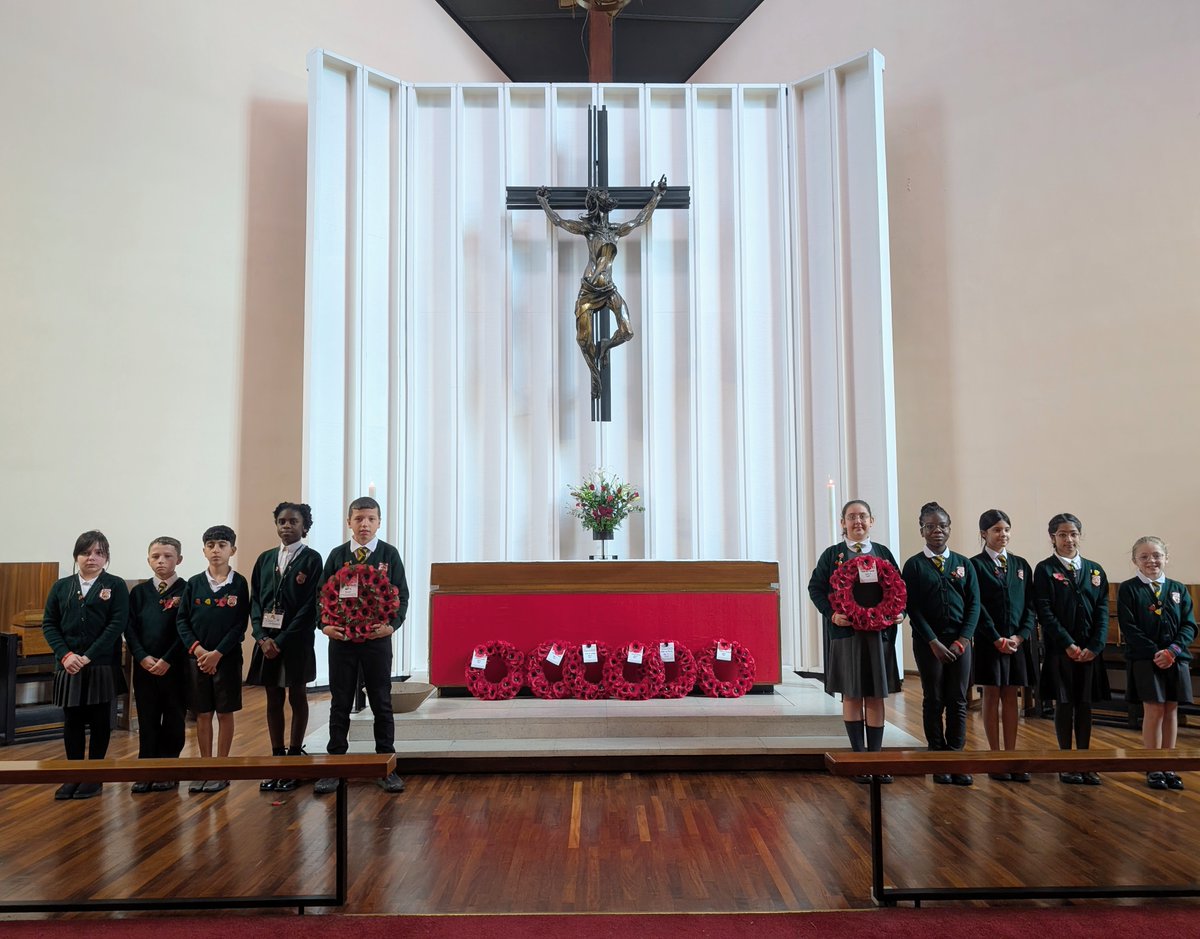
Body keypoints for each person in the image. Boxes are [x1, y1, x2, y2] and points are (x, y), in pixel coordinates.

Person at [535, 176, 668, 399]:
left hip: (609, 290)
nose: (609, 200)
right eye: (604, 197)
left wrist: (658, 195)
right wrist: (543, 202)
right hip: (588, 290)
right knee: (583, 340)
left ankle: (605, 345)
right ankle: (595, 376)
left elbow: (641, 219)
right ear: (597, 203)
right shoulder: (588, 230)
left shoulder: (615, 231)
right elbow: (559, 221)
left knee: (627, 332)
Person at [314, 496, 408, 795]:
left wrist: (391, 626)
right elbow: (320, 594)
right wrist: (325, 625)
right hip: (341, 641)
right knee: (339, 702)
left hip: (376, 642)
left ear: (379, 522)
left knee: (381, 701)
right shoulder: (338, 555)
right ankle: (335, 766)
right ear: (349, 522)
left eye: (370, 519)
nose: (364, 524)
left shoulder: (388, 554)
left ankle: (386, 766)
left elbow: (402, 596)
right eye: (358, 519)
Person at [807, 499, 903, 783]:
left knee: (875, 694)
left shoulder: (883, 553)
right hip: (847, 634)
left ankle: (875, 758)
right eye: (851, 517)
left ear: (871, 521)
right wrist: (831, 614)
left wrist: (900, 613)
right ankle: (858, 758)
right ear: (842, 523)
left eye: (863, 516)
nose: (857, 521)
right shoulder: (833, 555)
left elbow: (898, 587)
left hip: (878, 637)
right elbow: (815, 588)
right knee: (851, 693)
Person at [41, 530, 130, 800]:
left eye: (99, 553)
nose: (92, 557)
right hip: (68, 665)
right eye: (86, 552)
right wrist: (66, 655)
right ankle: (73, 774)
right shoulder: (61, 587)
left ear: (106, 558)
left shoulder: (115, 585)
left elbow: (116, 625)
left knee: (101, 720)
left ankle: (95, 776)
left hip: (101, 663)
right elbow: (50, 624)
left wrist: (89, 655)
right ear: (76, 555)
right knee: (73, 721)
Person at [902, 502, 980, 786]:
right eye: (931, 526)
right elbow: (913, 607)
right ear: (921, 529)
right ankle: (937, 756)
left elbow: (974, 604)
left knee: (958, 699)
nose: (937, 531)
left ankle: (956, 757)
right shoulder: (913, 565)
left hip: (960, 643)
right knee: (934, 699)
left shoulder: (964, 564)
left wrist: (963, 639)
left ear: (950, 528)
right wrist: (933, 641)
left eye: (942, 525)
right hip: (928, 644)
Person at [247, 502, 323, 792]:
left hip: (295, 640)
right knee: (272, 697)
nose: (287, 526)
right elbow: (256, 601)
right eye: (281, 521)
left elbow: (309, 606)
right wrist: (260, 636)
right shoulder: (265, 559)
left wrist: (280, 640)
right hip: (266, 640)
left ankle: (294, 756)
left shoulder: (312, 559)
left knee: (297, 694)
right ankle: (277, 757)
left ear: (305, 526)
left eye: (293, 521)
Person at [1032, 512, 1109, 785]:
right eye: (1062, 534)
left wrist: (1096, 645)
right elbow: (1045, 611)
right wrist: (1068, 644)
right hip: (1061, 650)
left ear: (1080, 535)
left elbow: (1102, 609)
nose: (1068, 539)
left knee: (1085, 705)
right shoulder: (1044, 569)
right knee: (1064, 703)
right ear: (1052, 537)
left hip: (1089, 650)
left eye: (1073, 534)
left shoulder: (1095, 569)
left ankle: (1085, 761)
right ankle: (1066, 761)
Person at [175, 525, 250, 794]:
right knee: (203, 713)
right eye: (210, 545)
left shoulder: (239, 583)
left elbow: (240, 624)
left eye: (221, 544)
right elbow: (182, 620)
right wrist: (198, 651)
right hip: (197, 660)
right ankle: (206, 767)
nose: (216, 550)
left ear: (232, 549)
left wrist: (217, 653)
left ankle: (222, 767)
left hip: (226, 659)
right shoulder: (194, 583)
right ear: (204, 550)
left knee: (224, 712)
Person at [1119, 536, 1195, 790]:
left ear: (1166, 557)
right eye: (1144, 557)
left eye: (1156, 555)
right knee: (1153, 709)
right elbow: (1129, 627)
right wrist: (1156, 652)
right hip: (1146, 659)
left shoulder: (1178, 589)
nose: (1151, 561)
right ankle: (1153, 765)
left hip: (1175, 658)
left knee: (1171, 709)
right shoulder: (1129, 589)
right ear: (1135, 561)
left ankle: (1169, 764)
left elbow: (1189, 624)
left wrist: (1173, 651)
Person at [970, 510, 1036, 783]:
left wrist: (1020, 636)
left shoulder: (1021, 565)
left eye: (1006, 529)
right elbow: (978, 606)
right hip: (990, 642)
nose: (1003, 534)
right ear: (984, 533)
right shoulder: (975, 564)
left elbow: (1030, 606)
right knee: (992, 694)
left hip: (1016, 643)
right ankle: (994, 757)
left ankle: (1011, 755)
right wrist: (995, 636)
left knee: (1012, 695)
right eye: (996, 529)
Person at [125, 536, 188, 793]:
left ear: (179, 560)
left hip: (174, 667)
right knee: (147, 719)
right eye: (155, 556)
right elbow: (129, 628)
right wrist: (141, 656)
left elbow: (186, 629)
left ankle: (168, 770)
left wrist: (167, 660)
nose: (161, 561)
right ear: (148, 559)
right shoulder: (139, 592)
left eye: (168, 556)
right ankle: (146, 770)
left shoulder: (187, 589)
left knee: (174, 718)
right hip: (145, 666)